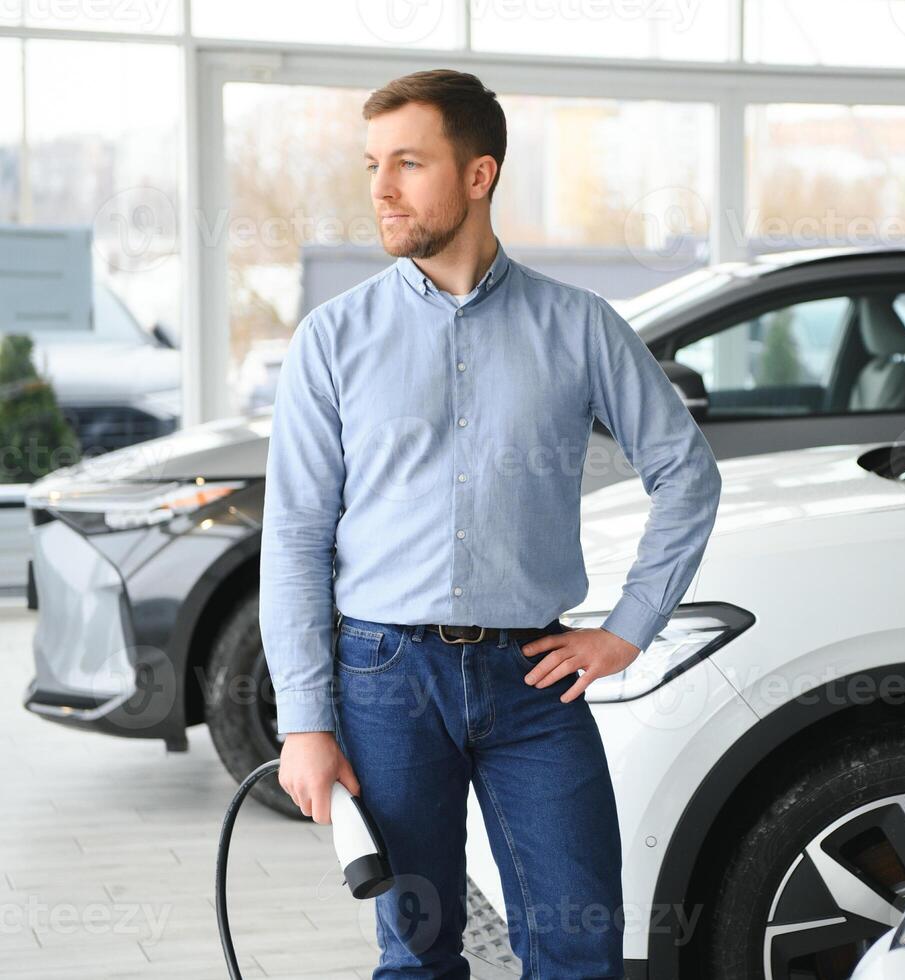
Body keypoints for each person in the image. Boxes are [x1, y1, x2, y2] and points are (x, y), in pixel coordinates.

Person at [258, 68, 722, 979]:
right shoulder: (332, 338)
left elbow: (686, 474)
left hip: (534, 684)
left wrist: (628, 630)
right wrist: (303, 720)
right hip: (384, 678)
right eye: (371, 165)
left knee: (580, 948)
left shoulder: (580, 326)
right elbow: (297, 536)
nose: (381, 190)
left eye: (408, 163)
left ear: (479, 174)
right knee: (417, 951)